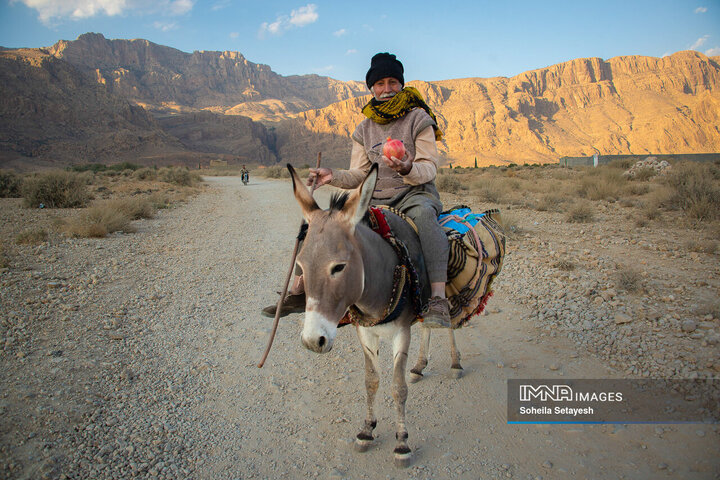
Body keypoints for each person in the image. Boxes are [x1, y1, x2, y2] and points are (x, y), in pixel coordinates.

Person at [263, 52, 451, 328]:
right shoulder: (364, 127)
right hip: (374, 200)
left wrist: (408, 167)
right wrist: (333, 175)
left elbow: (429, 167)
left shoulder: (418, 118)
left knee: (424, 217)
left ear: (401, 84)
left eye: (392, 82)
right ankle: (299, 290)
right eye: (380, 84)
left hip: (414, 195)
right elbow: (360, 175)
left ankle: (437, 298)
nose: (386, 89)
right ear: (371, 88)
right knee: (320, 224)